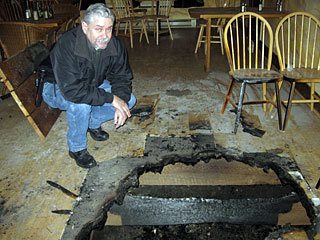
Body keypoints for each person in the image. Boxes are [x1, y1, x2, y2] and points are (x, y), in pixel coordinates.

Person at [41, 3, 136, 168]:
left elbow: (122, 76)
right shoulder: (67, 44)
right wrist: (111, 98)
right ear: (85, 27)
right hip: (56, 87)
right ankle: (77, 148)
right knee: (81, 106)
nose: (105, 35)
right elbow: (72, 91)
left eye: (109, 28)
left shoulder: (115, 44)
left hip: (89, 83)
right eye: (98, 29)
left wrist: (120, 100)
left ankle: (92, 123)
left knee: (129, 101)